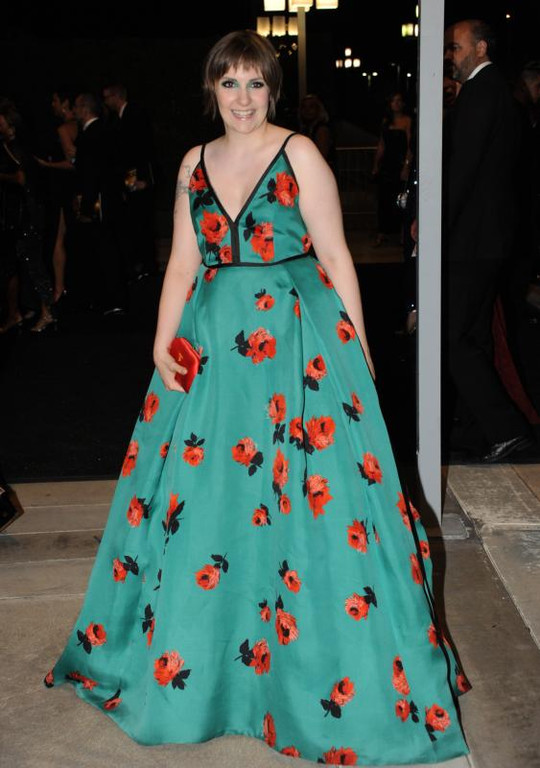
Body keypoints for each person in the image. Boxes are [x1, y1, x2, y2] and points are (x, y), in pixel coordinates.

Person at [45, 31, 469, 765]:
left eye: (255, 84)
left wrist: (359, 353)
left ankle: (306, 682)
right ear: (211, 89)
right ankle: (209, 678)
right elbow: (182, 264)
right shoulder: (192, 163)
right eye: (229, 83)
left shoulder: (299, 154)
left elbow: (334, 255)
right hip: (213, 349)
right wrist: (161, 342)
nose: (242, 98)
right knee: (205, 503)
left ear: (272, 89)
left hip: (296, 348)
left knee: (308, 503)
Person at [443, 19, 534, 462]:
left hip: (473, 239)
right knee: (474, 336)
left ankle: (506, 428)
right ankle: (477, 433)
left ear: (480, 48)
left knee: (456, 338)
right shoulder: (496, 90)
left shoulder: (481, 93)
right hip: (489, 237)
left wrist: (436, 225)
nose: (450, 56)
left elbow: (464, 169)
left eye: (456, 47)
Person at [72, 92, 126, 314]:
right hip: (110, 199)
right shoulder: (106, 131)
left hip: (99, 202)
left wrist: (86, 205)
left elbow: (90, 175)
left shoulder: (90, 136)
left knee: (103, 249)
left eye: (76, 107)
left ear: (85, 109)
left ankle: (110, 298)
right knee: (110, 248)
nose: (74, 111)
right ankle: (113, 297)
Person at [102, 83, 157, 280]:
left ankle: (148, 266)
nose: (105, 102)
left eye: (107, 97)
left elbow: (141, 150)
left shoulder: (134, 115)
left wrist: (144, 180)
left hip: (138, 178)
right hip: (129, 178)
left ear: (117, 96)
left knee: (142, 222)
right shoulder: (117, 118)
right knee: (134, 221)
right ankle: (141, 264)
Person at [35, 90, 78, 304]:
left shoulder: (64, 129)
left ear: (64, 102)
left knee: (59, 237)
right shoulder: (79, 126)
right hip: (74, 188)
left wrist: (47, 165)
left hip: (64, 189)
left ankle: (60, 288)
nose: (52, 104)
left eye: (55, 100)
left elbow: (73, 162)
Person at [371, 92, 412, 247]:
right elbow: (382, 144)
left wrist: (406, 165)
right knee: (384, 199)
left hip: (399, 163)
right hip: (387, 164)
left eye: (399, 100)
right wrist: (376, 165)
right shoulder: (386, 121)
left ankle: (402, 233)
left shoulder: (407, 120)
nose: (396, 103)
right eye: (394, 101)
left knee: (400, 198)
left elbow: (410, 145)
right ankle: (382, 233)